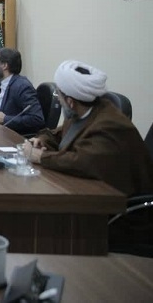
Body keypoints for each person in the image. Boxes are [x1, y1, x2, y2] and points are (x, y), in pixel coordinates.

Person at [23, 60, 153, 246]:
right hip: (94, 199)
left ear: (70, 102)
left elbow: (82, 162)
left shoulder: (110, 124)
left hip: (124, 216)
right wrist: (41, 140)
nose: (58, 100)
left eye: (58, 95)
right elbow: (60, 135)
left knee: (46, 224)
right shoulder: (83, 111)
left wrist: (40, 157)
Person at [0, 48, 44, 135]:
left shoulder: (22, 86)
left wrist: (5, 119)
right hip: (1, 133)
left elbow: (37, 119)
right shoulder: (3, 83)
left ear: (4, 66)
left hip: (15, 137)